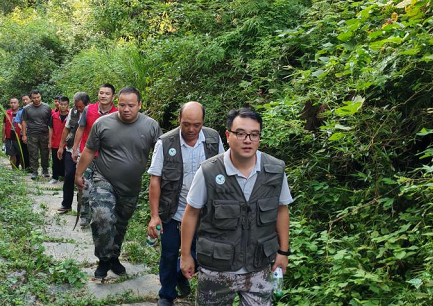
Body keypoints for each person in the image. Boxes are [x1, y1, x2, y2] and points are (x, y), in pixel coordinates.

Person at [179, 108, 293, 306]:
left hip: (259, 268)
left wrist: (283, 252)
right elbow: (191, 214)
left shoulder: (274, 170)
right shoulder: (209, 171)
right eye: (240, 133)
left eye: (254, 135)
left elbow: (281, 210)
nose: (247, 140)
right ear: (228, 135)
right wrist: (186, 255)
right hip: (217, 269)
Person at [75, 87, 162, 279]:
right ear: (117, 103)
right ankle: (103, 259)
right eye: (122, 105)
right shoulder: (102, 124)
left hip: (131, 186)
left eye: (131, 105)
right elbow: (89, 150)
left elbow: (160, 156)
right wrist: (79, 173)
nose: (126, 109)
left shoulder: (151, 126)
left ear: (140, 105)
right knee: (101, 217)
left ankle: (114, 257)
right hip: (103, 179)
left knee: (120, 224)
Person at [147, 102, 225, 306]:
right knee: (170, 254)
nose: (191, 130)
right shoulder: (165, 143)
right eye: (186, 124)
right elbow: (155, 181)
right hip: (174, 210)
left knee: (202, 253)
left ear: (203, 123)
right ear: (179, 120)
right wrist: (155, 216)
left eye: (197, 125)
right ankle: (166, 294)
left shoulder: (212, 139)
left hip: (204, 212)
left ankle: (182, 276)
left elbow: (223, 171)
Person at [71, 83, 117, 227]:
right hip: (87, 154)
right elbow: (81, 128)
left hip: (106, 158)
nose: (103, 96)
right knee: (84, 186)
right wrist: (75, 149)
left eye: (107, 93)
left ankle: (101, 215)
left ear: (113, 97)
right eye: (101, 93)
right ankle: (84, 216)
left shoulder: (117, 113)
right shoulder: (88, 110)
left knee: (103, 188)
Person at [56, 92, 90, 213]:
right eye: (77, 106)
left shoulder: (91, 112)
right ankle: (66, 204)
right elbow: (66, 128)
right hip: (71, 149)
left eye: (81, 106)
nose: (79, 109)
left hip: (87, 151)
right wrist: (61, 146)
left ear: (87, 104)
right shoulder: (73, 112)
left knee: (84, 179)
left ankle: (84, 209)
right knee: (69, 175)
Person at [21, 90, 52, 180]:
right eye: (34, 98)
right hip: (32, 134)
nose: (36, 99)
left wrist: (50, 137)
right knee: (33, 153)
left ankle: (45, 169)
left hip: (44, 134)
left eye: (38, 97)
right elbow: (23, 121)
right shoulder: (26, 108)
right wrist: (24, 135)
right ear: (31, 98)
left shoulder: (47, 107)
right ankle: (34, 171)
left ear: (40, 97)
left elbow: (50, 123)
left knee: (45, 153)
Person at [48, 96, 70, 185]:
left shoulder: (71, 116)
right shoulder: (54, 116)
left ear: (68, 105)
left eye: (65, 105)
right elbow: (51, 129)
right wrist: (50, 141)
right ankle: (55, 177)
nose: (63, 106)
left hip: (67, 143)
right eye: (61, 104)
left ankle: (66, 177)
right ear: (58, 105)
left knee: (66, 161)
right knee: (55, 161)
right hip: (55, 142)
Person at [2, 97, 22, 169]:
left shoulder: (22, 112)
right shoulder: (7, 113)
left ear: (18, 104)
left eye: (15, 103)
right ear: (9, 104)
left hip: (20, 136)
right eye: (11, 103)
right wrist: (3, 136)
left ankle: (23, 169)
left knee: (20, 153)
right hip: (9, 136)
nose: (13, 104)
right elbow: (4, 125)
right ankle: (14, 169)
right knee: (11, 154)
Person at [14, 94, 31, 170]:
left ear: (30, 99)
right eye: (23, 100)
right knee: (24, 151)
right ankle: (26, 167)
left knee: (33, 151)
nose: (25, 101)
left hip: (34, 133)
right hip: (23, 134)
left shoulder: (35, 109)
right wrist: (24, 129)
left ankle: (33, 167)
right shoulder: (20, 111)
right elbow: (18, 122)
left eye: (26, 99)